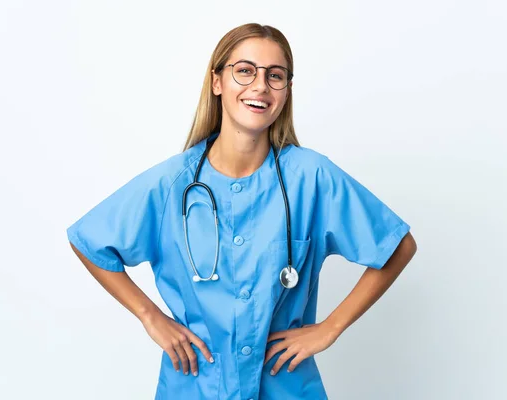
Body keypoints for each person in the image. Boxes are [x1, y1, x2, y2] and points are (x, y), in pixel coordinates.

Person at [67, 22, 417, 400]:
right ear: (217, 81)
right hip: (194, 385)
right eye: (245, 70)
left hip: (286, 386)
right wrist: (149, 315)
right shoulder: (172, 184)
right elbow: (90, 241)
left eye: (275, 76)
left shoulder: (312, 178)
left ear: (287, 91)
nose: (260, 86)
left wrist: (329, 328)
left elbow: (397, 246)